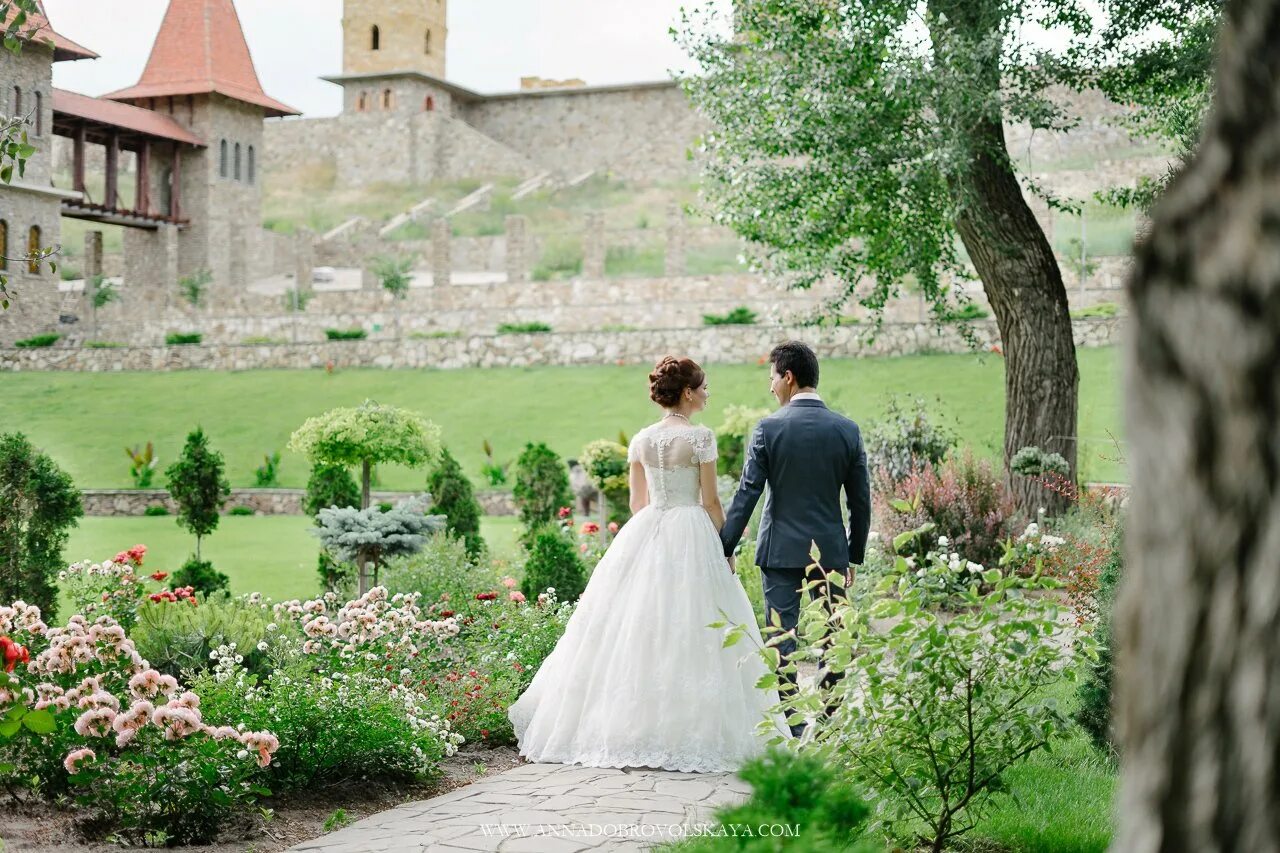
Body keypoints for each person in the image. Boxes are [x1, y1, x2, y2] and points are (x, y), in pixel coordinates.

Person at [508, 356, 791, 772]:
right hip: (691, 529)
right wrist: (725, 547)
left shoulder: (640, 440)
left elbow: (637, 503)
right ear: (689, 393)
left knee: (640, 627)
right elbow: (711, 502)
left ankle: (629, 727)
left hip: (647, 530)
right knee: (696, 626)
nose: (708, 393)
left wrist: (648, 535)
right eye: (704, 386)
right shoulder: (700, 439)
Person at [720, 341, 871, 737]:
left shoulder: (769, 429)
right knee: (834, 638)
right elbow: (860, 502)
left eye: (772, 377)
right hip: (831, 556)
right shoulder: (847, 430)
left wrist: (723, 546)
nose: (770, 386)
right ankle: (828, 723)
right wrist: (851, 556)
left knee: (781, 637)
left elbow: (747, 495)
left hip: (780, 553)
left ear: (788, 377)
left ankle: (792, 725)